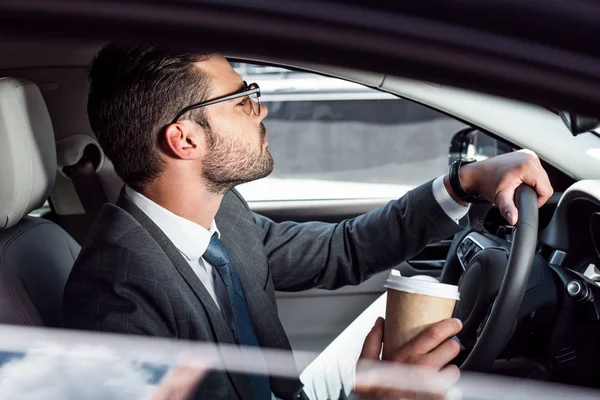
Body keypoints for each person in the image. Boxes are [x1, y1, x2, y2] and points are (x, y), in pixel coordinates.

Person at [62, 44, 553, 400]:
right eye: (242, 100)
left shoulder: (221, 213)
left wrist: (463, 182)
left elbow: (342, 251)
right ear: (184, 139)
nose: (262, 109)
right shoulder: (116, 296)